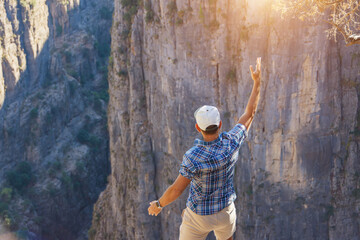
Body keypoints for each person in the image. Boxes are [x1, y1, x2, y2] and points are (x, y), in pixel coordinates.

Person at [148, 57, 262, 240]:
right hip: (225, 212)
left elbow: (176, 190)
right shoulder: (232, 142)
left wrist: (158, 204)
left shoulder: (192, 157)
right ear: (220, 124)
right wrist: (257, 83)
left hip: (199, 217)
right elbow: (250, 113)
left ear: (198, 128)